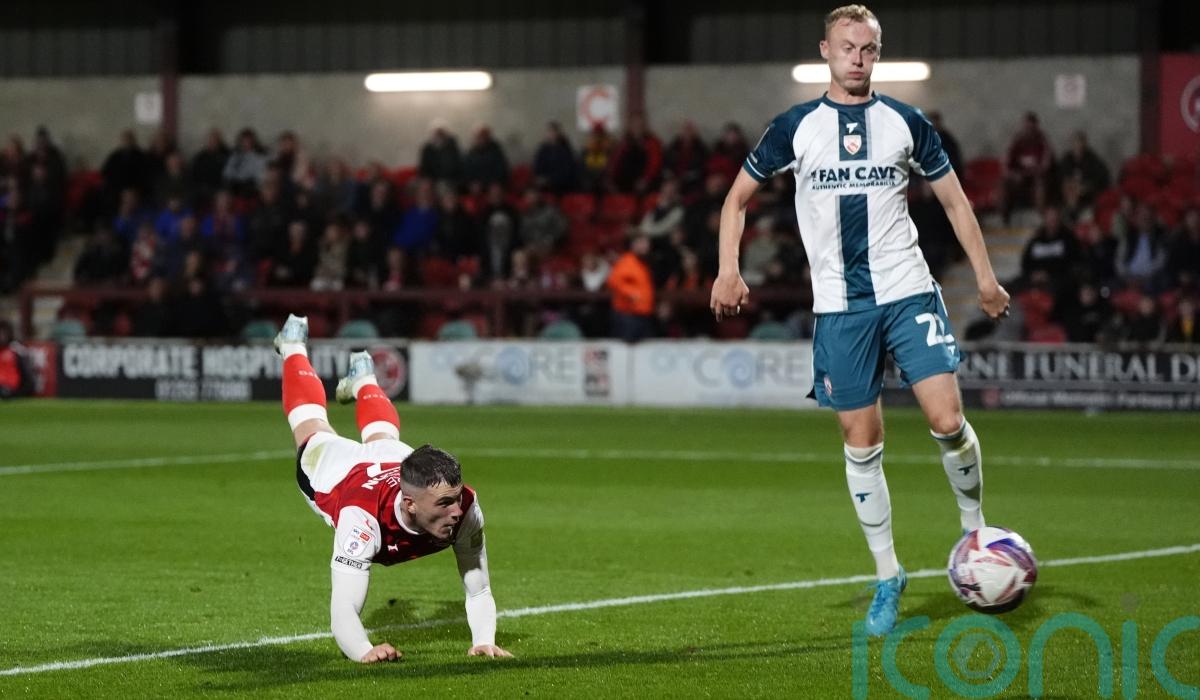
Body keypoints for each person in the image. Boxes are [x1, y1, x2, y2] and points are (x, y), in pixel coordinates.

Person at [709, 4, 1010, 638]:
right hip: (840, 308)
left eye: (868, 49)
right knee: (862, 442)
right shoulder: (794, 127)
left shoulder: (906, 123)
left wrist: (985, 278)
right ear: (825, 50)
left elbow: (955, 202)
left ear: (878, 53)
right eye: (847, 47)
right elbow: (735, 200)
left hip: (907, 290)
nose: (857, 58)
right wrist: (727, 270)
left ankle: (975, 533)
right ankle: (888, 575)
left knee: (947, 420)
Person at [273, 314, 512, 662]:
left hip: (391, 461)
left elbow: (479, 587)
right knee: (312, 425)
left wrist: (484, 640)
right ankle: (293, 345)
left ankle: (364, 380)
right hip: (340, 474)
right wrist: (364, 650)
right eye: (444, 503)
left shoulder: (465, 507)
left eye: (456, 499)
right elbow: (343, 609)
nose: (456, 511)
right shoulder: (361, 520)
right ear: (411, 504)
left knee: (385, 436)